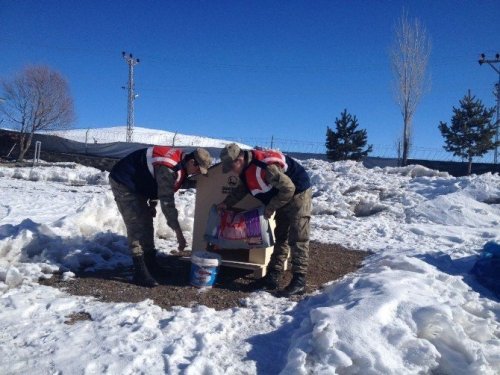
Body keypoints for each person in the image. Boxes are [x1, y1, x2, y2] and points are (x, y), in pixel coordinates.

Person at [217, 143, 312, 296]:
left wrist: (270, 207)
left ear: (239, 160)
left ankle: (299, 280)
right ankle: (273, 276)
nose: (231, 171)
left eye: (231, 166)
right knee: (281, 236)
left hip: (298, 193)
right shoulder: (245, 168)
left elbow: (289, 189)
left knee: (298, 235)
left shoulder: (265, 167)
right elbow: (243, 189)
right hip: (281, 196)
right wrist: (226, 203)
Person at [109, 146, 212, 287]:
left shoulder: (181, 163)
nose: (197, 173)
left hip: (140, 183)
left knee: (147, 223)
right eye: (198, 170)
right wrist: (179, 234)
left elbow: (157, 186)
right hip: (124, 181)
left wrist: (151, 204)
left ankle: (151, 264)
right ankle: (139, 271)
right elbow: (167, 202)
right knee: (136, 223)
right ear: (192, 162)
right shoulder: (169, 168)